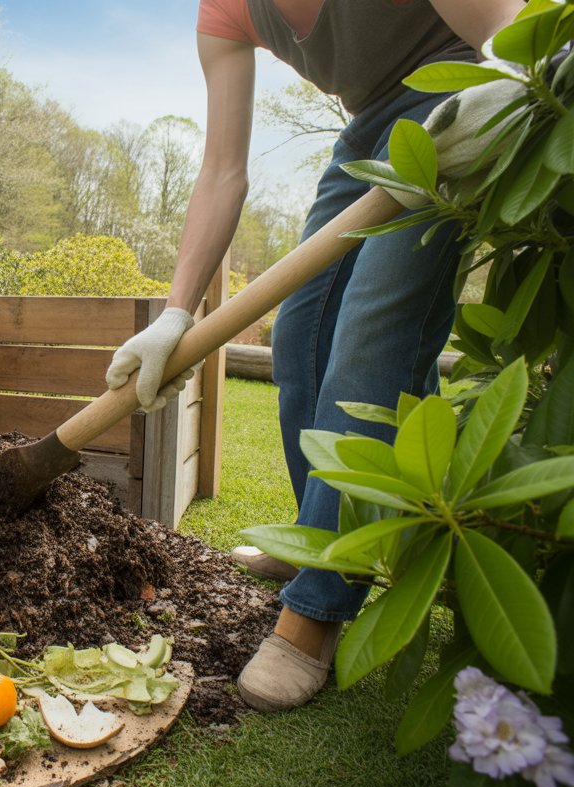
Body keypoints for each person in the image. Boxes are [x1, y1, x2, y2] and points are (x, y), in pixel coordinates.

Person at [105, 0, 522, 711]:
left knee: (373, 331)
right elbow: (221, 172)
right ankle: (317, 539)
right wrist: (177, 312)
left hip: (462, 99)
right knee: (299, 334)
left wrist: (509, 86)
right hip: (369, 132)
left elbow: (510, 33)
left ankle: (318, 609)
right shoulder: (225, 13)